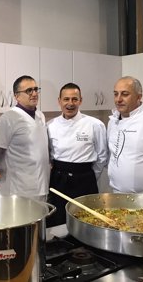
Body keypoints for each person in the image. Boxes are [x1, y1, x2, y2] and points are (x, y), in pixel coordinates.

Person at [46, 83, 108, 227]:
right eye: (66, 99)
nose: (70, 103)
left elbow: (102, 156)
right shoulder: (50, 125)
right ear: (59, 101)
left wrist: (90, 175)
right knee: (57, 221)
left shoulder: (95, 124)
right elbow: (48, 155)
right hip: (58, 180)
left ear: (80, 100)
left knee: (87, 221)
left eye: (74, 99)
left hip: (85, 179)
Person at [0, 75, 50, 201]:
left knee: (41, 220)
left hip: (42, 185)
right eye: (29, 90)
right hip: (20, 189)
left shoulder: (40, 115)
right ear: (16, 96)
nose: (34, 93)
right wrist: (1, 172)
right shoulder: (8, 119)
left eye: (36, 89)